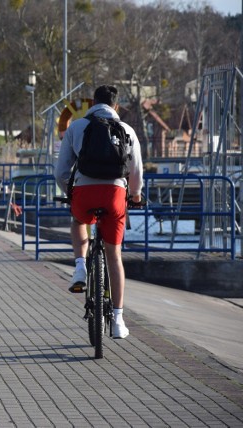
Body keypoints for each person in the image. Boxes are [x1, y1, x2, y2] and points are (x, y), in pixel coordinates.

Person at [54, 85, 143, 339]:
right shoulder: (127, 130)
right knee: (114, 255)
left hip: (84, 192)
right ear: (116, 106)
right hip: (115, 195)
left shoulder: (77, 127)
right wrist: (135, 197)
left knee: (78, 219)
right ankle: (117, 320)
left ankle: (80, 266)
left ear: (93, 102)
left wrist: (70, 192)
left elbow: (61, 172)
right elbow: (136, 174)